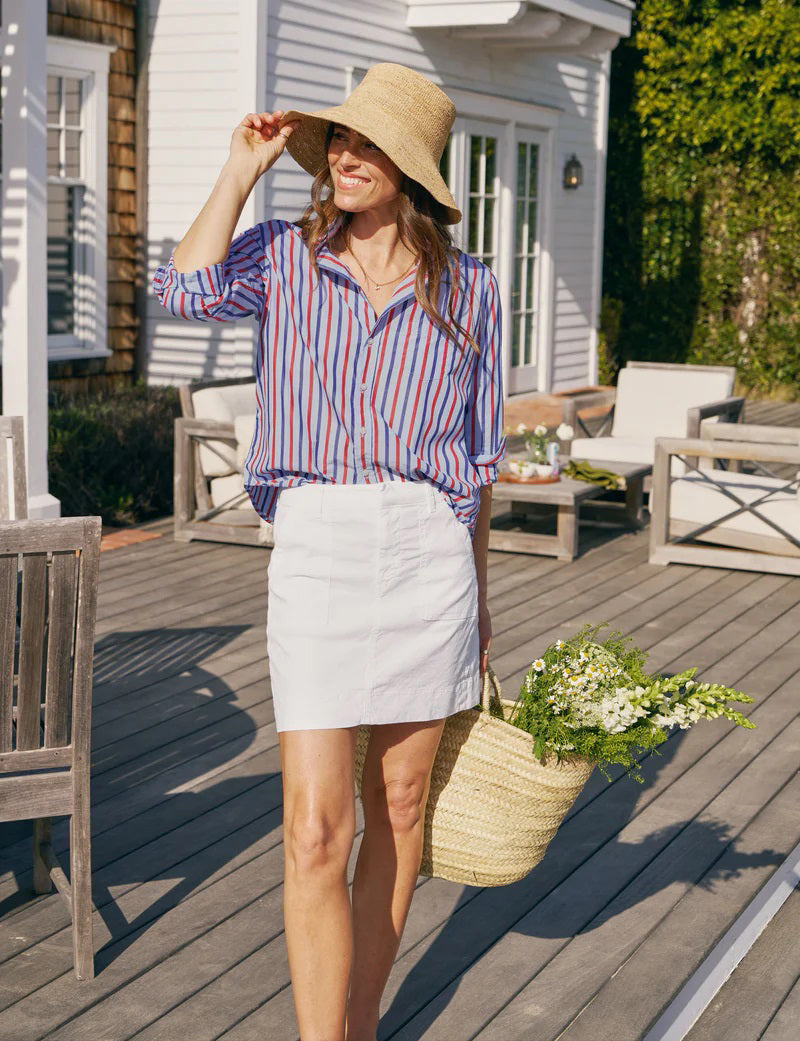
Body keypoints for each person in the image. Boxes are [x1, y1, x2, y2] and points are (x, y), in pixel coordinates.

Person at [153, 62, 505, 1041]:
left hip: (430, 557)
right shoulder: (282, 256)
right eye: (338, 141)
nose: (346, 157)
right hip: (317, 545)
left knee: (396, 806)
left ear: (411, 169)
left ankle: (352, 1025)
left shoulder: (470, 292)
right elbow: (181, 293)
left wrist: (479, 606)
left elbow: (476, 465)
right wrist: (238, 171)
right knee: (315, 831)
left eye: (368, 144)